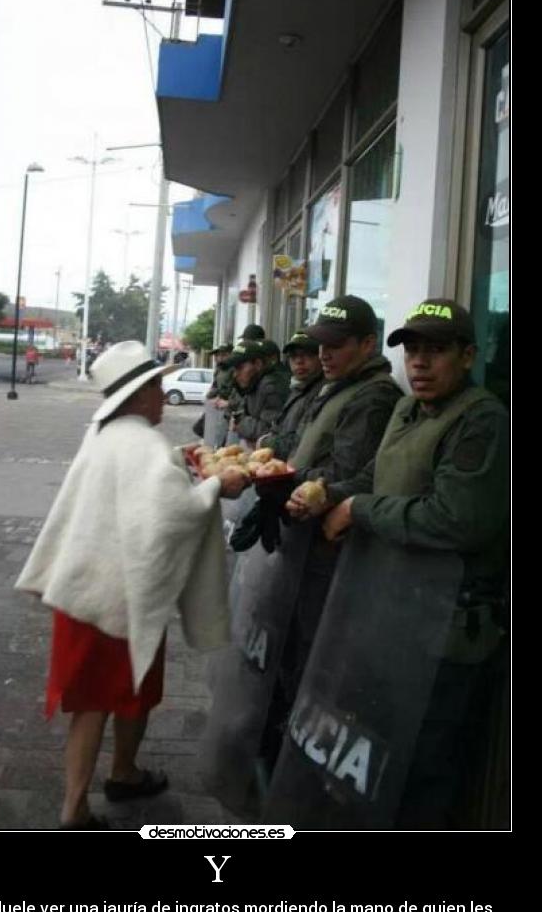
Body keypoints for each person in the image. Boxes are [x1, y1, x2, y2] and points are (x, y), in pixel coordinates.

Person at [287, 298, 509, 829]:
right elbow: (375, 479)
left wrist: (357, 510)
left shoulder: (483, 420)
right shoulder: (410, 408)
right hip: (391, 614)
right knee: (379, 756)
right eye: (413, 351)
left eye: (436, 351)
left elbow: (455, 519)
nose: (420, 364)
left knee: (424, 773)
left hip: (448, 632)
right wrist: (325, 495)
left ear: (469, 355)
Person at [15, 340, 250, 830]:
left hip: (83, 588)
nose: (164, 396)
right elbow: (171, 516)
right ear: (139, 394)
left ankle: (124, 773)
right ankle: (74, 808)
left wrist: (183, 461)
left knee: (121, 692)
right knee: (104, 699)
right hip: (120, 597)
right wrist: (216, 486)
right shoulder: (143, 444)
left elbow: (142, 490)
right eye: (158, 388)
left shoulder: (106, 432)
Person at [199, 297, 402, 815]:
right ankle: (274, 774)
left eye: (337, 346)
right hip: (295, 547)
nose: (324, 354)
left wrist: (311, 489)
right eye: (322, 344)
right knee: (283, 661)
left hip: (325, 559)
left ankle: (298, 790)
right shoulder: (335, 388)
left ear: (366, 345)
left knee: (309, 669)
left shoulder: (373, 396)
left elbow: (355, 474)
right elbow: (301, 448)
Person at [257, 332, 324, 460]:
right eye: (293, 356)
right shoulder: (297, 388)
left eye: (307, 355)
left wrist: (265, 442)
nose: (299, 361)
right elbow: (279, 427)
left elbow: (301, 443)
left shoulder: (321, 393)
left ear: (320, 356)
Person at [226, 339, 291, 449]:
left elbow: (271, 430)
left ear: (258, 364)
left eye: (240, 368)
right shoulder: (253, 383)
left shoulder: (270, 386)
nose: (236, 374)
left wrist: (239, 423)